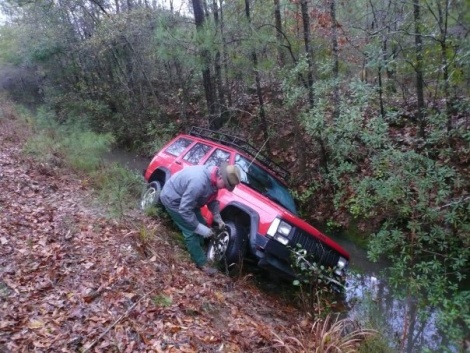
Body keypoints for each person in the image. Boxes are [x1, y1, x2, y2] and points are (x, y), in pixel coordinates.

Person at [159, 162, 241, 275]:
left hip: (191, 202)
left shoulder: (213, 179)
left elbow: (211, 200)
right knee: (191, 231)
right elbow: (184, 210)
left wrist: (218, 218)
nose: (225, 188)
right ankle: (202, 263)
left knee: (203, 223)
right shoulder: (199, 182)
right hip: (173, 200)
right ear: (220, 176)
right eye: (226, 185)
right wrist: (198, 228)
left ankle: (198, 248)